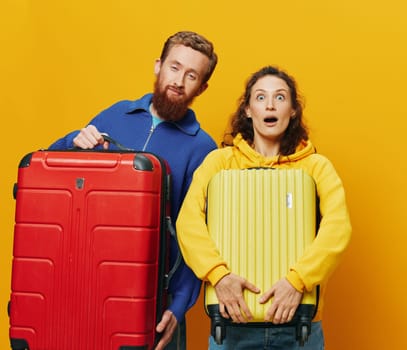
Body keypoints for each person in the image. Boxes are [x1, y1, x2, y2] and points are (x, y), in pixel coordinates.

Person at [49, 31, 219, 350]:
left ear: (202, 87)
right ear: (158, 66)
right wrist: (72, 140)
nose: (179, 81)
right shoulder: (115, 116)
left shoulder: (203, 148)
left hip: (155, 297)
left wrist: (178, 306)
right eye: (174, 67)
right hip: (89, 284)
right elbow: (55, 179)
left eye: (191, 75)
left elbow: (197, 234)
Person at [175, 65, 352, 349]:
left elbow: (337, 228)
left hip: (300, 330)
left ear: (293, 110)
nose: (270, 104)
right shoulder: (219, 163)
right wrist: (219, 277)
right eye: (260, 97)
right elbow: (188, 223)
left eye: (280, 98)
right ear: (247, 110)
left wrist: (298, 282)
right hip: (231, 325)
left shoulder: (316, 167)